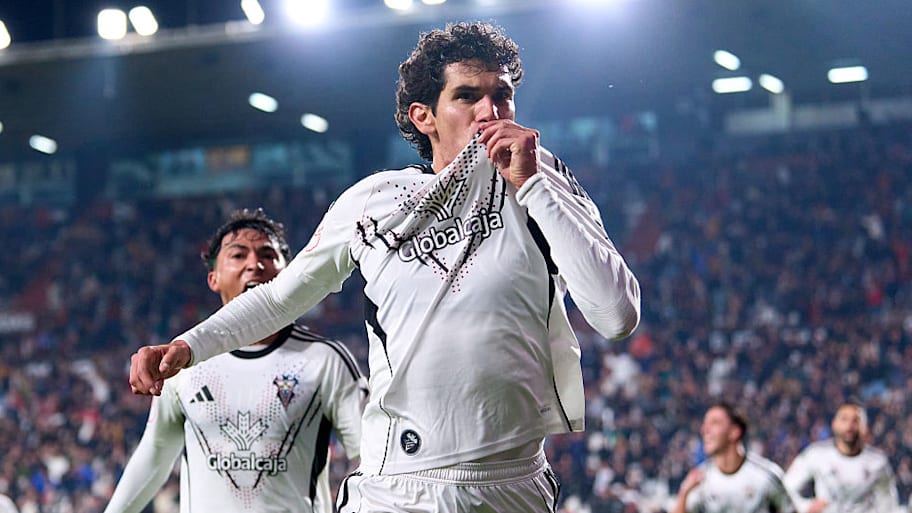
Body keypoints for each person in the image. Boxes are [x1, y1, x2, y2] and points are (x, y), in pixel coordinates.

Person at [128, 22, 640, 512]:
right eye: (467, 96)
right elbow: (282, 297)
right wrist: (189, 345)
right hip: (398, 487)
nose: (490, 110)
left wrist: (531, 185)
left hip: (511, 485)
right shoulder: (375, 201)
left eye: (501, 94)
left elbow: (616, 316)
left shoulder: (542, 180)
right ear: (424, 116)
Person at [106, 209, 367, 513]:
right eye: (238, 255)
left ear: (289, 274)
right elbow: (155, 454)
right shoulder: (183, 366)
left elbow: (373, 455)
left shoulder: (325, 360)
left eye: (267, 255)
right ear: (213, 279)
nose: (254, 264)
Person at [672, 402, 795, 513]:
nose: (705, 430)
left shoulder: (766, 476)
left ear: (734, 432)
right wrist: (684, 494)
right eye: (705, 424)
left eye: (715, 423)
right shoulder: (698, 481)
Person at [783, 402, 901, 513]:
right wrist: (806, 506)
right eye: (844, 419)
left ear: (864, 427)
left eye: (856, 420)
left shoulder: (878, 462)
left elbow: (888, 502)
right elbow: (786, 487)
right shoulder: (816, 454)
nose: (849, 426)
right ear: (834, 424)